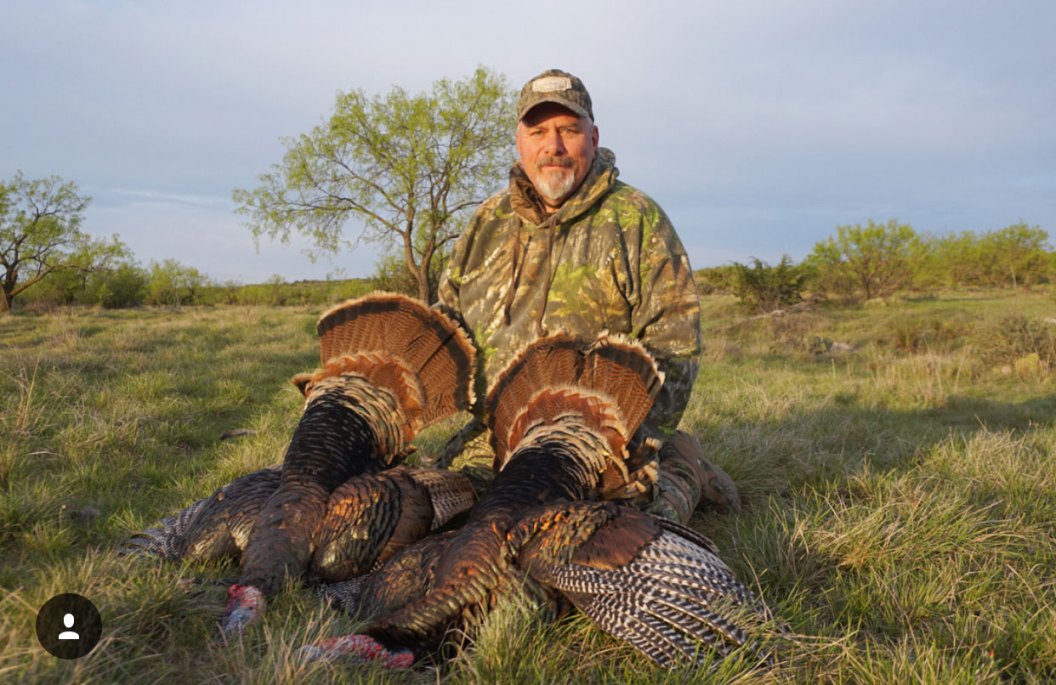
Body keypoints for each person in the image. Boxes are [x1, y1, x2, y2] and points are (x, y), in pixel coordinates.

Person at [431, 68, 739, 522]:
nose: (552, 146)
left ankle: (679, 466)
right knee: (435, 514)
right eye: (538, 132)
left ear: (593, 137)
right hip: (497, 436)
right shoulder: (486, 222)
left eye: (568, 131)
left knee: (613, 535)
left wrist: (636, 438)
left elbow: (676, 342)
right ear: (520, 141)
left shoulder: (636, 218)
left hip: (602, 443)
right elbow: (447, 324)